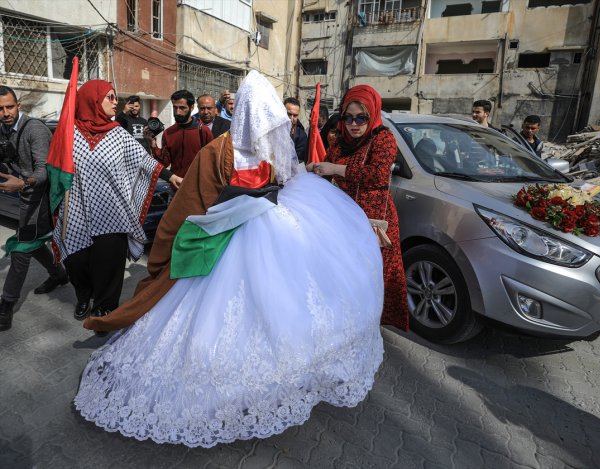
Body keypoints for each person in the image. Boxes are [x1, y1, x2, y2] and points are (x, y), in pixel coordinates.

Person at [75, 70, 384, 447]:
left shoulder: (265, 151)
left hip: (267, 236)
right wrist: (172, 245)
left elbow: (285, 181)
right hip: (224, 241)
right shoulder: (218, 151)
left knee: (275, 311)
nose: (269, 131)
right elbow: (190, 203)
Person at [51, 80, 166, 325]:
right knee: (77, 261)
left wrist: (171, 176)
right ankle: (83, 296)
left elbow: (144, 161)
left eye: (116, 98)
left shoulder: (118, 134)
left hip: (112, 211)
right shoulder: (68, 133)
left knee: (109, 263)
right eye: (110, 97)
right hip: (76, 211)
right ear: (92, 100)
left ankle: (105, 307)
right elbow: (54, 166)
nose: (116, 102)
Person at [307, 85, 410, 331]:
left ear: (372, 115)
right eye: (348, 117)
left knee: (373, 277)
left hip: (373, 222)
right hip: (343, 220)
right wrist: (312, 171)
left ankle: (371, 325)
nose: (354, 124)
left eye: (361, 117)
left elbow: (378, 174)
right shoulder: (340, 141)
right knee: (346, 275)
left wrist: (336, 169)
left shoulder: (383, 138)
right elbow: (327, 170)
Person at [0, 86, 68, 331]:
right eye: (0, 108)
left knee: (21, 247)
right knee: (33, 241)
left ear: (18, 105)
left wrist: (23, 182)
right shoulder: (3, 130)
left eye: (9, 106)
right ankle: (59, 274)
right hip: (24, 195)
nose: (6, 112)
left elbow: (43, 171)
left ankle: (6, 304)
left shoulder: (35, 129)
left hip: (41, 195)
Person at [146, 90, 213, 186]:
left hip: (199, 188)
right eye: (175, 107)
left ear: (192, 107)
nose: (177, 112)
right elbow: (164, 163)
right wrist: (153, 144)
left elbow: (212, 162)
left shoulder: (203, 131)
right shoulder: (168, 133)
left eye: (182, 108)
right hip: (175, 188)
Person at [284, 97, 308, 163]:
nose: (291, 118)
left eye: (295, 115)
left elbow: (297, 161)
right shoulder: (274, 130)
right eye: (289, 114)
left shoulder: (301, 136)